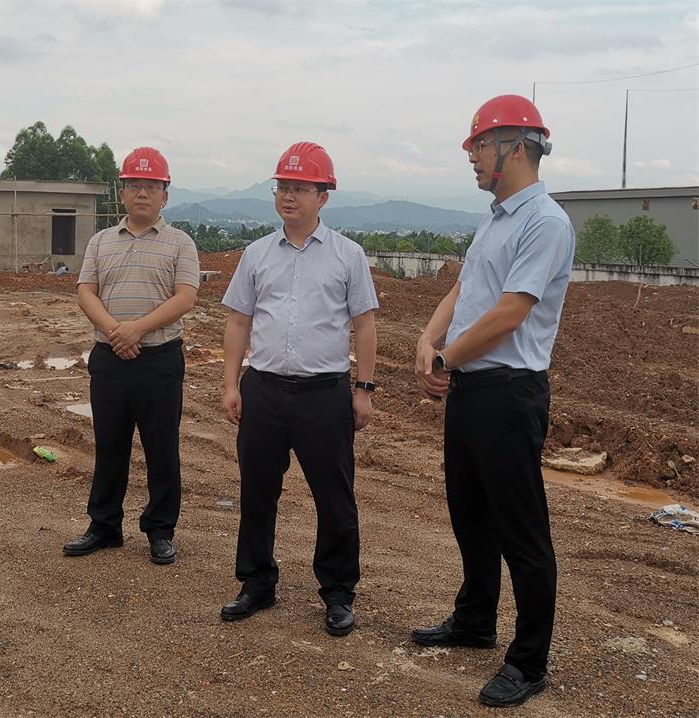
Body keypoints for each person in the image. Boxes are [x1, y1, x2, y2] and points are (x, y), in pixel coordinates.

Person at [411, 95, 575, 708]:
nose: (473, 156)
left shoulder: (545, 223)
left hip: (509, 393)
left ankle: (529, 661)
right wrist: (428, 339)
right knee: (470, 514)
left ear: (515, 146)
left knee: (521, 531)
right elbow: (464, 288)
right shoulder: (495, 219)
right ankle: (475, 619)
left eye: (479, 145)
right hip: (471, 391)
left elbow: (510, 312)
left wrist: (446, 358)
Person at [220, 142, 378, 636]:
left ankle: (337, 592)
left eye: (300, 188)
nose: (288, 196)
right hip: (264, 390)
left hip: (323, 394)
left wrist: (363, 389)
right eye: (282, 187)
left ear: (323, 196)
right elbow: (238, 321)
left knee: (334, 498)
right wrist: (231, 383)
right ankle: (256, 583)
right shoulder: (256, 254)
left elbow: (364, 325)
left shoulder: (348, 255)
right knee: (257, 492)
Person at [63, 147, 200, 565]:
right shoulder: (101, 242)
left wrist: (137, 329)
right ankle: (104, 526)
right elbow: (86, 292)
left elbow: (185, 297)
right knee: (109, 446)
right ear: (121, 193)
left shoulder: (180, 243)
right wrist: (115, 331)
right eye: (134, 185)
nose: (142, 193)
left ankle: (160, 530)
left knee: (162, 449)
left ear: (165, 196)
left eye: (151, 186)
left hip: (160, 361)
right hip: (109, 358)